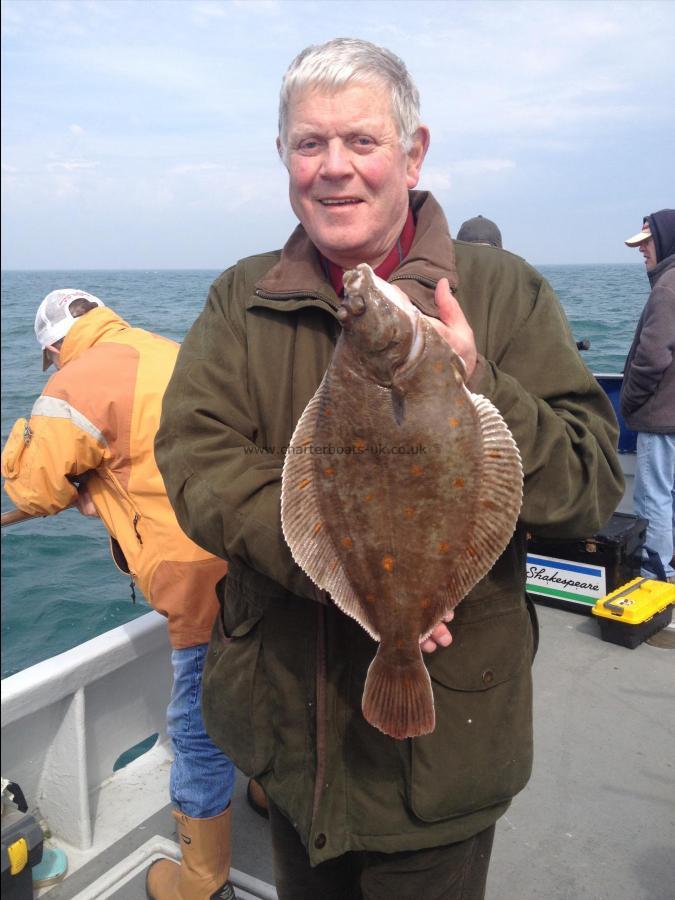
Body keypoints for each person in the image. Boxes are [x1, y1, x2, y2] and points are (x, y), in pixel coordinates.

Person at [154, 38, 624, 899]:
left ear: (412, 152)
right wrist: (337, 571)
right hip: (286, 741)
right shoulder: (240, 298)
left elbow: (591, 483)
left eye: (362, 142)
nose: (334, 169)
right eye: (309, 144)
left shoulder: (504, 292)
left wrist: (477, 381)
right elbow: (195, 460)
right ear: (283, 158)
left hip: (443, 756)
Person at [0, 290, 237, 900]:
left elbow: (32, 490)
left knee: (197, 726)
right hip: (246, 547)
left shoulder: (73, 383)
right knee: (263, 686)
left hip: (192, 568)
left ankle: (203, 883)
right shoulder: (168, 349)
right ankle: (272, 794)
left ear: (54, 347)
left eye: (50, 358)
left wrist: (29, 433)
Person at [621, 210, 675, 584]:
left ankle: (655, 578)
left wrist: (629, 400)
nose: (643, 252)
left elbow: (653, 356)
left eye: (647, 243)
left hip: (661, 419)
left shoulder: (668, 286)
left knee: (653, 500)